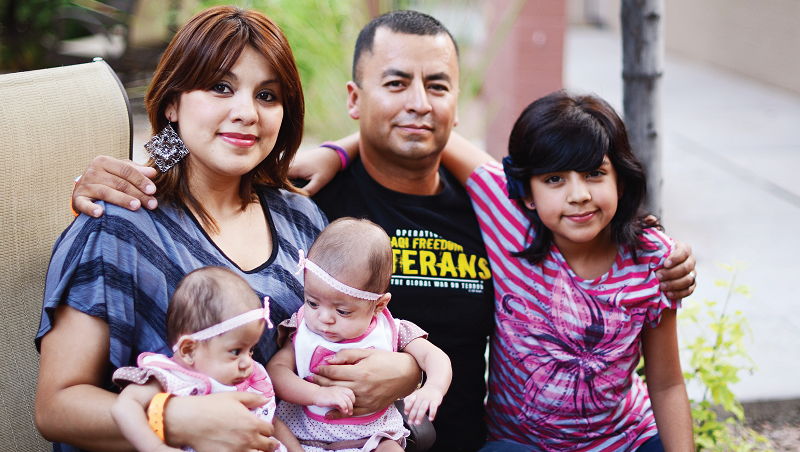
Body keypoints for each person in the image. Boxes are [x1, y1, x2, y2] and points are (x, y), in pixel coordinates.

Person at [68, 10, 697, 452]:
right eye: (395, 83)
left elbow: (575, 194)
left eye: (438, 86)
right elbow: (212, 151)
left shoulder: (495, 210)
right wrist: (154, 158)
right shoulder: (316, 202)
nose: (418, 102)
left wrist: (655, 247)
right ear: (353, 97)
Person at [35, 7, 418, 452]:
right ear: (173, 102)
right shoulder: (119, 225)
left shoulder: (303, 219)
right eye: (221, 87)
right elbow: (55, 408)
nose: (247, 112)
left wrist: (406, 371)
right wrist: (174, 419)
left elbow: (356, 329)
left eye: (268, 96)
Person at [439, 91, 694, 451]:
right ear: (526, 191)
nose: (578, 195)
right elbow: (429, 128)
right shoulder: (507, 215)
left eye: (594, 173)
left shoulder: (652, 260)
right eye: (554, 179)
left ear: (619, 180)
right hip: (520, 444)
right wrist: (336, 154)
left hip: (626, 440)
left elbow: (667, 383)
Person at [267, 218, 452, 452]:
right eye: (312, 302)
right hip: (306, 434)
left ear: (378, 306)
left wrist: (433, 387)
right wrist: (317, 394)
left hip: (374, 437)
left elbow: (434, 357)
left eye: (342, 311)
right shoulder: (302, 326)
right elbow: (276, 371)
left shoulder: (392, 329)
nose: (324, 318)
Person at [110, 267, 300, 452]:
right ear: (189, 350)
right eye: (235, 351)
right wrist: (156, 447)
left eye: (251, 350)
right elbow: (125, 407)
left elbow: (272, 421)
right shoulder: (168, 378)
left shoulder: (250, 380)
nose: (248, 363)